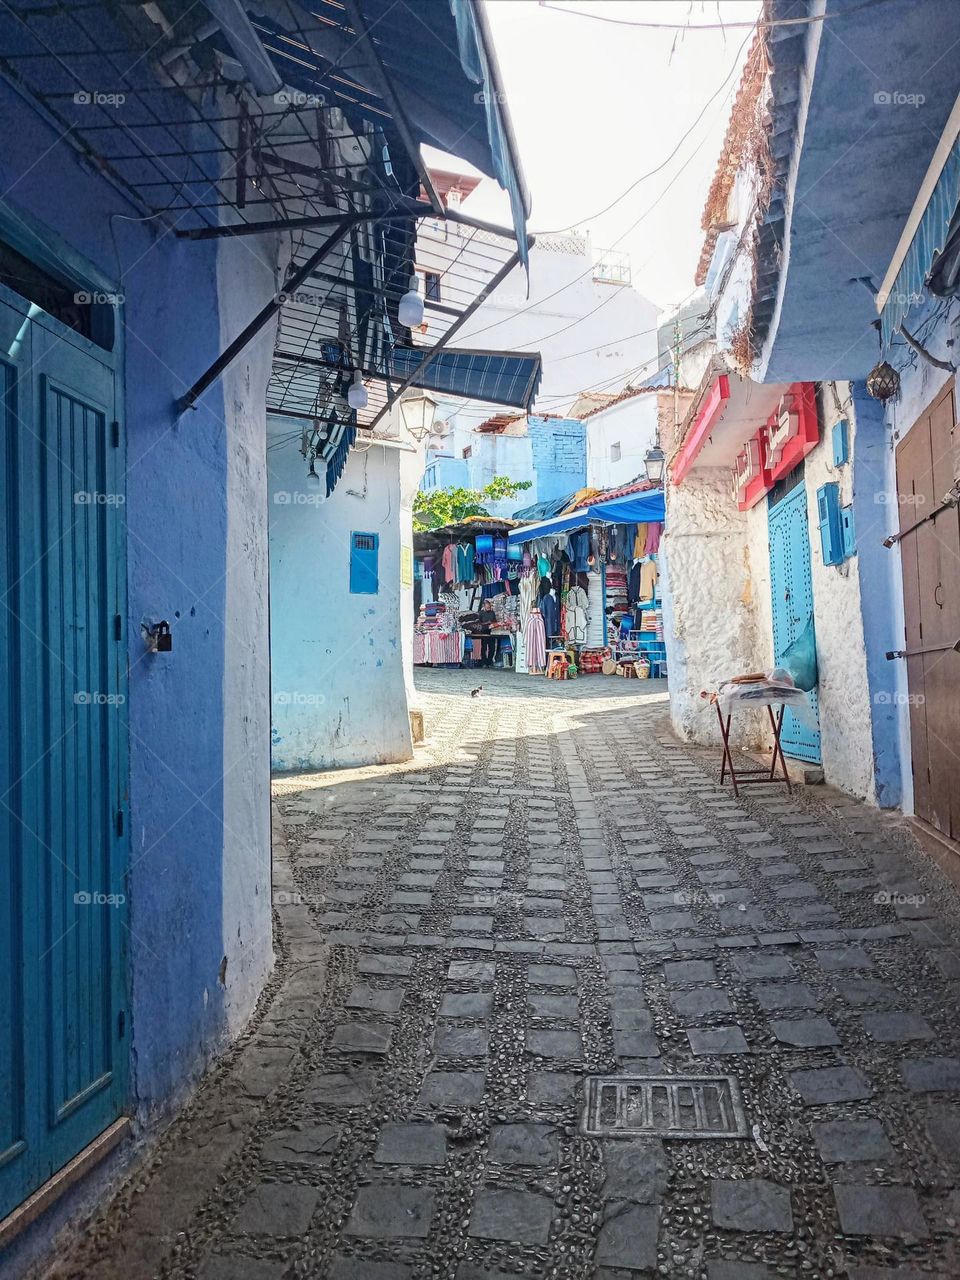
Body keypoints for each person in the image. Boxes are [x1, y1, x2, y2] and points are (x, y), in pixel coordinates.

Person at [475, 599, 498, 667]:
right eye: (487, 607)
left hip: (491, 631)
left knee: (492, 647)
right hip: (483, 631)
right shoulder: (480, 613)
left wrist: (493, 624)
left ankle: (490, 661)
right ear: (484, 606)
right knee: (484, 647)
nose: (489, 608)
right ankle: (484, 661)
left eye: (489, 607)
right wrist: (486, 623)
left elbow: (495, 621)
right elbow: (478, 623)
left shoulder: (492, 612)